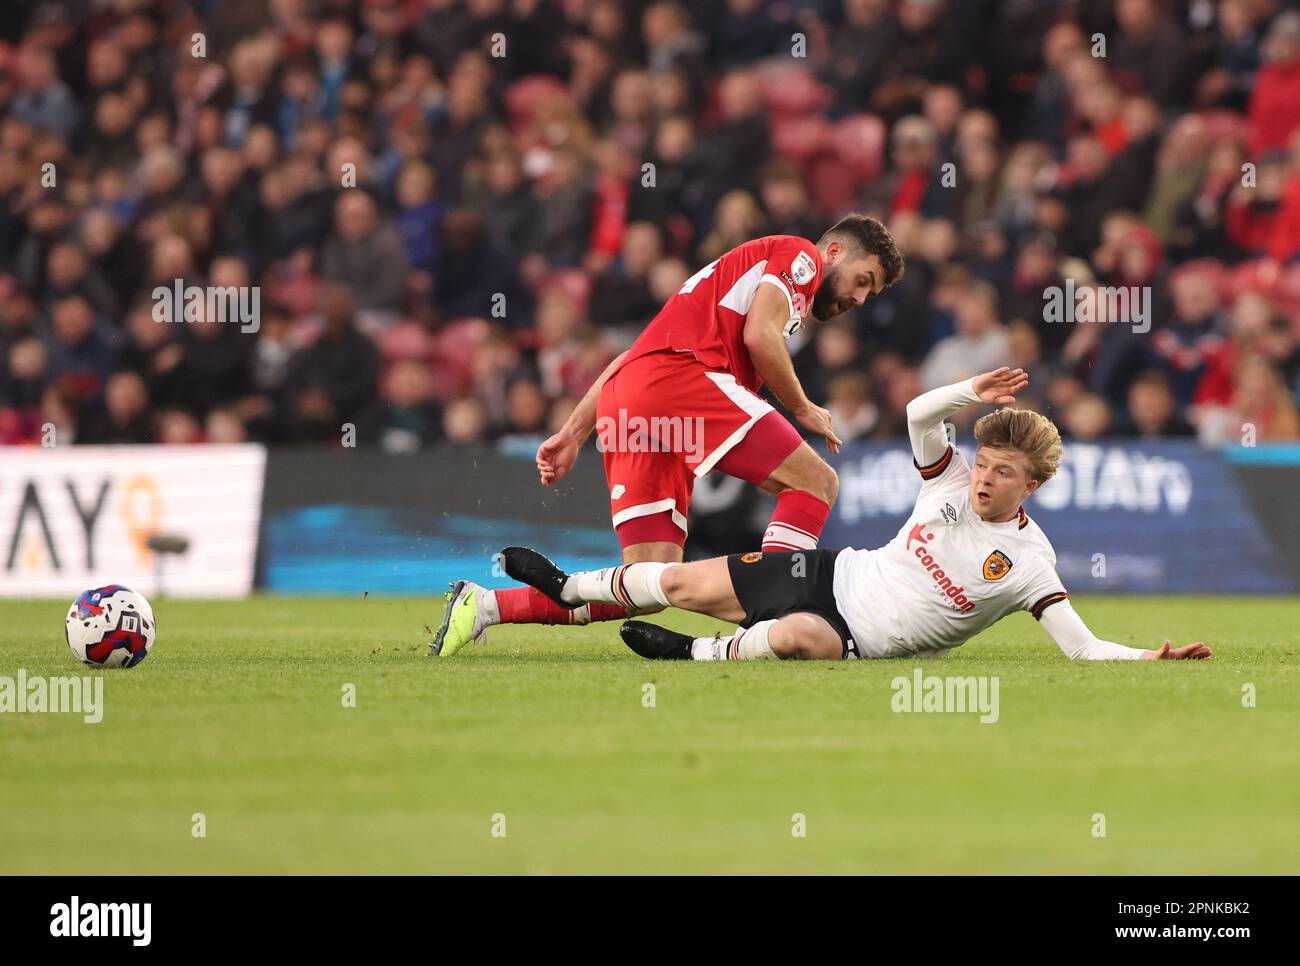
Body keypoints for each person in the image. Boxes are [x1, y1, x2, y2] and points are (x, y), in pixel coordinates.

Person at [436, 367, 1211, 663]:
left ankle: (690, 658)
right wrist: (973, 389)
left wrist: (1148, 660)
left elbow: (1080, 648)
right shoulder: (948, 483)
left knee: (801, 639)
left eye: (1005, 473)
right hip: (826, 571)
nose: (985, 479)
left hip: (852, 636)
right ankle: (570, 588)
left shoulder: (1030, 564)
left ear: (1030, 488)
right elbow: (916, 412)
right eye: (985, 462)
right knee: (672, 581)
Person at [435, 215, 904, 654]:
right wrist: (802, 407)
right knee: (816, 482)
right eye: (863, 281)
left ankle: (485, 605)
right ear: (836, 250)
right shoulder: (802, 257)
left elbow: (634, 357)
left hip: (632, 397)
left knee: (646, 583)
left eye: (872, 294)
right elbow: (760, 337)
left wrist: (575, 430)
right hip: (682, 380)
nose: (860, 300)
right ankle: (772, 619)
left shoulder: (721, 286)